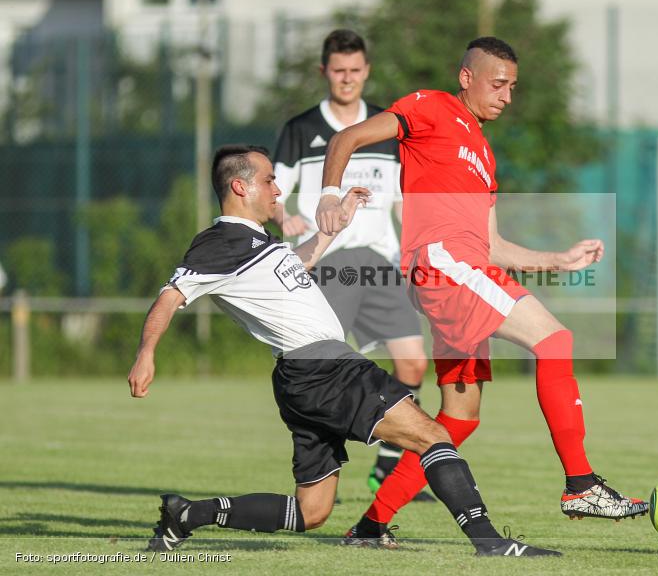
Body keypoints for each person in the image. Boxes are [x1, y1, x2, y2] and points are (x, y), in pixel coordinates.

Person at [127, 144, 559, 558]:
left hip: (302, 375)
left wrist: (332, 229)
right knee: (434, 436)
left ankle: (188, 514)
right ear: (240, 187)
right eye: (269, 180)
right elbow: (170, 296)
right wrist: (147, 353)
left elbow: (296, 265)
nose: (278, 189)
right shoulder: (219, 242)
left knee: (311, 512)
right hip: (325, 367)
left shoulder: (257, 240)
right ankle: (489, 541)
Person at [315, 37, 648, 542]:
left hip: (459, 271)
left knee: (459, 419)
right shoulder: (431, 106)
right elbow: (347, 138)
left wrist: (558, 260)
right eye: (498, 84)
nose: (507, 96)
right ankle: (581, 484)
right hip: (445, 265)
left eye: (512, 87)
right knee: (554, 340)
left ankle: (370, 525)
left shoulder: (484, 154)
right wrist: (329, 195)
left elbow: (493, 246)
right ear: (466, 77)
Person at [271, 29, 432, 500]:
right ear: (324, 71)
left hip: (380, 266)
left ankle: (386, 468)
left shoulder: (386, 126)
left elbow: (402, 201)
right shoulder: (301, 129)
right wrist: (285, 216)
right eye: (338, 70)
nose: (347, 78)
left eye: (355, 70)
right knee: (321, 371)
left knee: (413, 362)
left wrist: (417, 247)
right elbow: (274, 192)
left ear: (367, 71)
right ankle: (320, 473)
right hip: (326, 266)